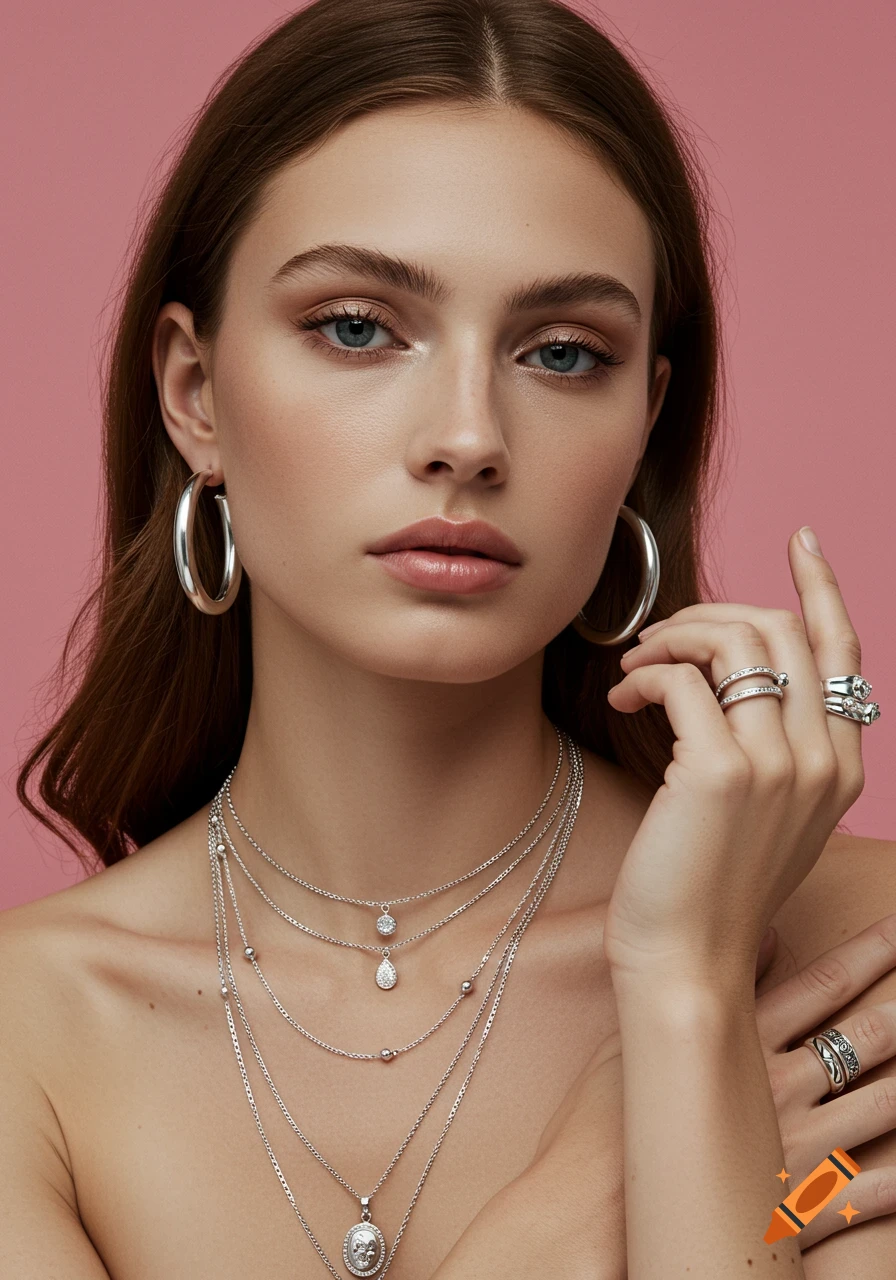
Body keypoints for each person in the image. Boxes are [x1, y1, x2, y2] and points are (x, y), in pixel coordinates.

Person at [2, 1, 894, 1276]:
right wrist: (589, 1182)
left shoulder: (856, 976)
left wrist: (687, 985)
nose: (467, 434)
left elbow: (793, 1205)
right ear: (194, 392)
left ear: (645, 417)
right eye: (357, 326)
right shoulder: (25, 1037)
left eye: (561, 351)